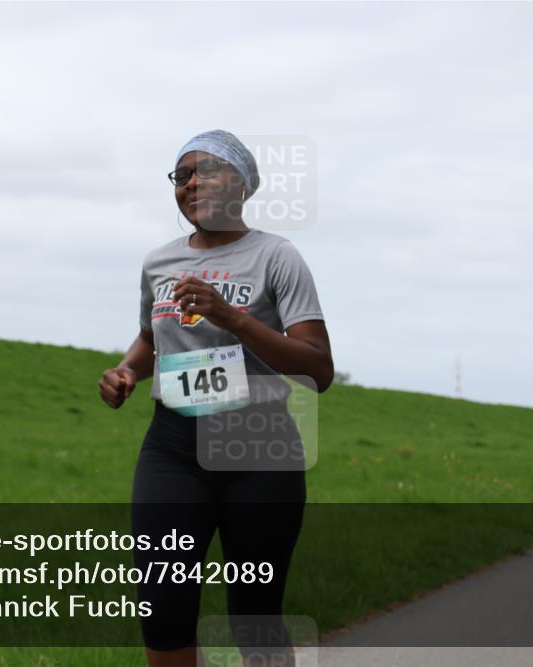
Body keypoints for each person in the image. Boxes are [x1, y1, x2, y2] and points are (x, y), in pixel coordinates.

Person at [98, 130, 333, 667]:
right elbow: (151, 337)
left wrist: (230, 316)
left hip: (259, 445)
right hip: (173, 445)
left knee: (255, 614)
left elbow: (318, 367)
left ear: (243, 184)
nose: (191, 184)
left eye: (207, 171)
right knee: (163, 608)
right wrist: (125, 372)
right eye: (181, 176)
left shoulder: (277, 255)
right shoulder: (159, 262)